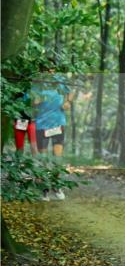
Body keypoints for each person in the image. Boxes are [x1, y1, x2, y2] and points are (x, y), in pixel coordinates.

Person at [33, 73, 72, 201]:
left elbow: (71, 92)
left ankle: (56, 185)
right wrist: (37, 100)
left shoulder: (60, 80)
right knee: (43, 158)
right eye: (47, 70)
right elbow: (33, 101)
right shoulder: (38, 83)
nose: (50, 73)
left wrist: (67, 102)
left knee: (57, 158)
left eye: (52, 70)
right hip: (42, 125)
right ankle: (44, 189)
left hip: (58, 124)